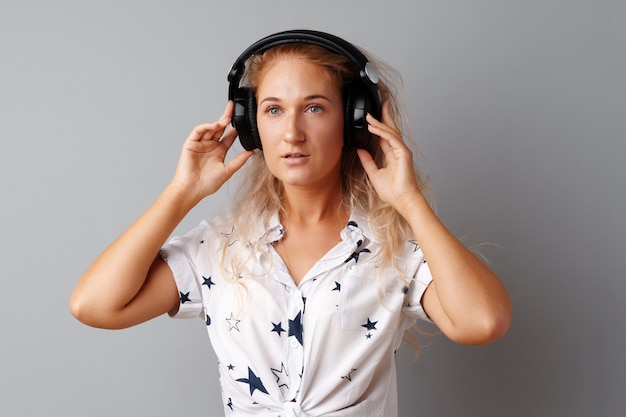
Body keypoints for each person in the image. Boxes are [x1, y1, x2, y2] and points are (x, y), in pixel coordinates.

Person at [70, 30, 511, 417]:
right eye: (274, 110)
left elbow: (482, 322)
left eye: (315, 108)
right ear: (251, 123)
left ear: (355, 120)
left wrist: (409, 201)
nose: (292, 133)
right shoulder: (220, 247)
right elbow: (94, 305)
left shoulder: (394, 249)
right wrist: (181, 194)